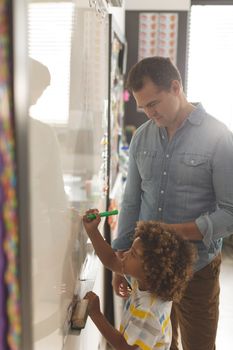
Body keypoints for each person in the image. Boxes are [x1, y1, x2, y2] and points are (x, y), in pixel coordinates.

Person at [111, 56, 233, 350]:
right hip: (149, 271)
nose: (149, 113)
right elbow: (131, 204)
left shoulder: (219, 137)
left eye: (154, 103)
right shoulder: (142, 137)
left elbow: (230, 213)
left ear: (176, 87)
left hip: (198, 270)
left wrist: (174, 231)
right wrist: (119, 263)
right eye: (143, 107)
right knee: (157, 344)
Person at [83, 209, 196, 350]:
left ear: (150, 270)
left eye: (133, 254)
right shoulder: (144, 281)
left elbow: (124, 347)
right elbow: (111, 260)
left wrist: (96, 314)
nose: (125, 254)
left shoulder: (148, 310)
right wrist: (93, 231)